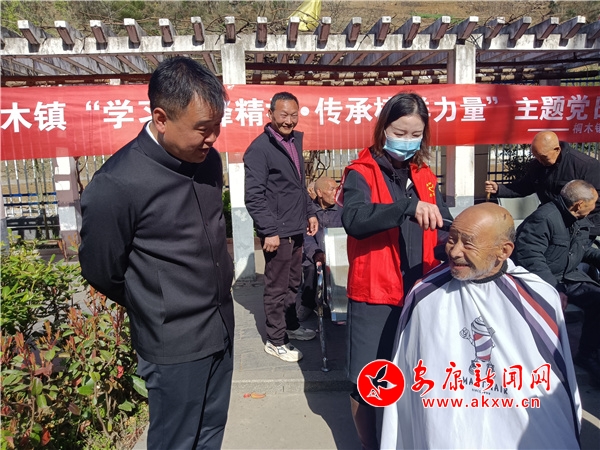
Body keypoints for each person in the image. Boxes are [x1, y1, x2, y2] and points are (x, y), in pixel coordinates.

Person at [79, 57, 234, 449]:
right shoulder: (118, 183)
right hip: (173, 343)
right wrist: (156, 301)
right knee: (175, 441)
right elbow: (101, 270)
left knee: (211, 434)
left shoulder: (208, 162)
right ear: (162, 118)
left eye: (217, 126)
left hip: (220, 326)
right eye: (203, 128)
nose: (212, 138)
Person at [381, 203, 581, 449]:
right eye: (452, 239)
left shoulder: (539, 298)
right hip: (447, 423)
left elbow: (555, 383)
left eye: (468, 243)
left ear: (503, 251)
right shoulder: (426, 294)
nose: (454, 251)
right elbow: (411, 374)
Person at [338, 92, 453, 450]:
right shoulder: (361, 173)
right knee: (370, 376)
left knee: (410, 370)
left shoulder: (425, 175)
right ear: (383, 129)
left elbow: (441, 224)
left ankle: (401, 438)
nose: (407, 140)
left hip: (419, 288)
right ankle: (370, 444)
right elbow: (354, 220)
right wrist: (406, 206)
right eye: (400, 132)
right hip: (375, 291)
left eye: (415, 134)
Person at [244, 92, 318, 363]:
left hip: (296, 226)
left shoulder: (293, 141)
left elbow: (299, 184)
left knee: (293, 282)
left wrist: (310, 212)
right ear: (271, 114)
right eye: (284, 114)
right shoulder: (260, 149)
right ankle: (275, 340)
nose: (289, 120)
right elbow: (254, 196)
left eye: (294, 115)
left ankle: (291, 325)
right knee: (277, 287)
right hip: (278, 230)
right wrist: (269, 230)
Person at [514, 179, 600, 385]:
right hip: (541, 280)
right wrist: (553, 288)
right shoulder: (544, 218)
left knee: (597, 300)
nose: (595, 207)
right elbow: (530, 257)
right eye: (593, 203)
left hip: (568, 276)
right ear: (579, 204)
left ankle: (586, 354)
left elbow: (579, 249)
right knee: (550, 306)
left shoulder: (577, 218)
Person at [484, 130, 600, 235]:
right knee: (523, 234)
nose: (540, 161)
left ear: (557, 149)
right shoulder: (537, 165)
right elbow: (525, 186)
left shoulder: (585, 165)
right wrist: (499, 189)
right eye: (536, 157)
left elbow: (596, 199)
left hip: (582, 224)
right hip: (548, 218)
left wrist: (575, 217)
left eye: (544, 157)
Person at [297, 176, 343, 321]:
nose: (335, 192)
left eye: (337, 189)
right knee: (310, 268)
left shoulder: (342, 209)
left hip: (339, 252)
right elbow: (306, 236)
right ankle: (307, 304)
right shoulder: (309, 212)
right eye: (331, 189)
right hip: (316, 252)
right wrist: (316, 253)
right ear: (320, 193)